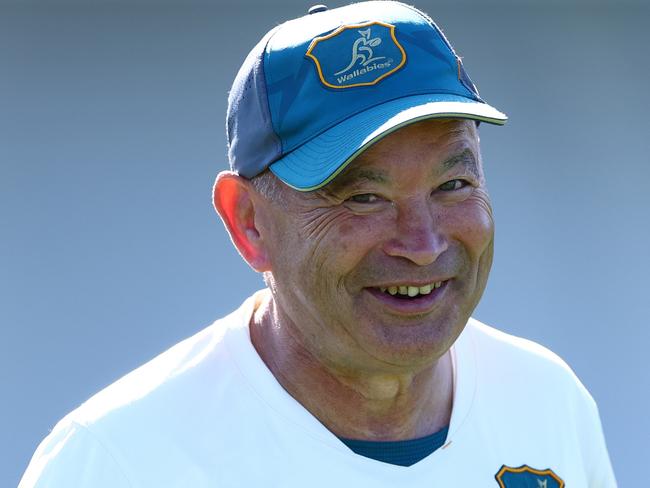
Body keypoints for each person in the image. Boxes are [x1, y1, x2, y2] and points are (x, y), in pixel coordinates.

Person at [20, 2, 616, 487]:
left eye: (453, 184)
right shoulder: (115, 464)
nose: (424, 243)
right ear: (249, 222)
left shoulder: (548, 401)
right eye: (363, 197)